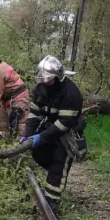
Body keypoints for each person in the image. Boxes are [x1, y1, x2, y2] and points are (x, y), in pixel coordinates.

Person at [21, 55, 84, 208]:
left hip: (66, 133)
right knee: (38, 153)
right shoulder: (40, 90)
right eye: (43, 80)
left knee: (59, 163)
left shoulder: (71, 94)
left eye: (49, 79)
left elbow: (63, 124)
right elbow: (35, 115)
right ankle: (51, 174)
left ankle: (51, 201)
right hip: (49, 127)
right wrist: (27, 134)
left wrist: (41, 137)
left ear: (58, 76)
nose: (46, 82)